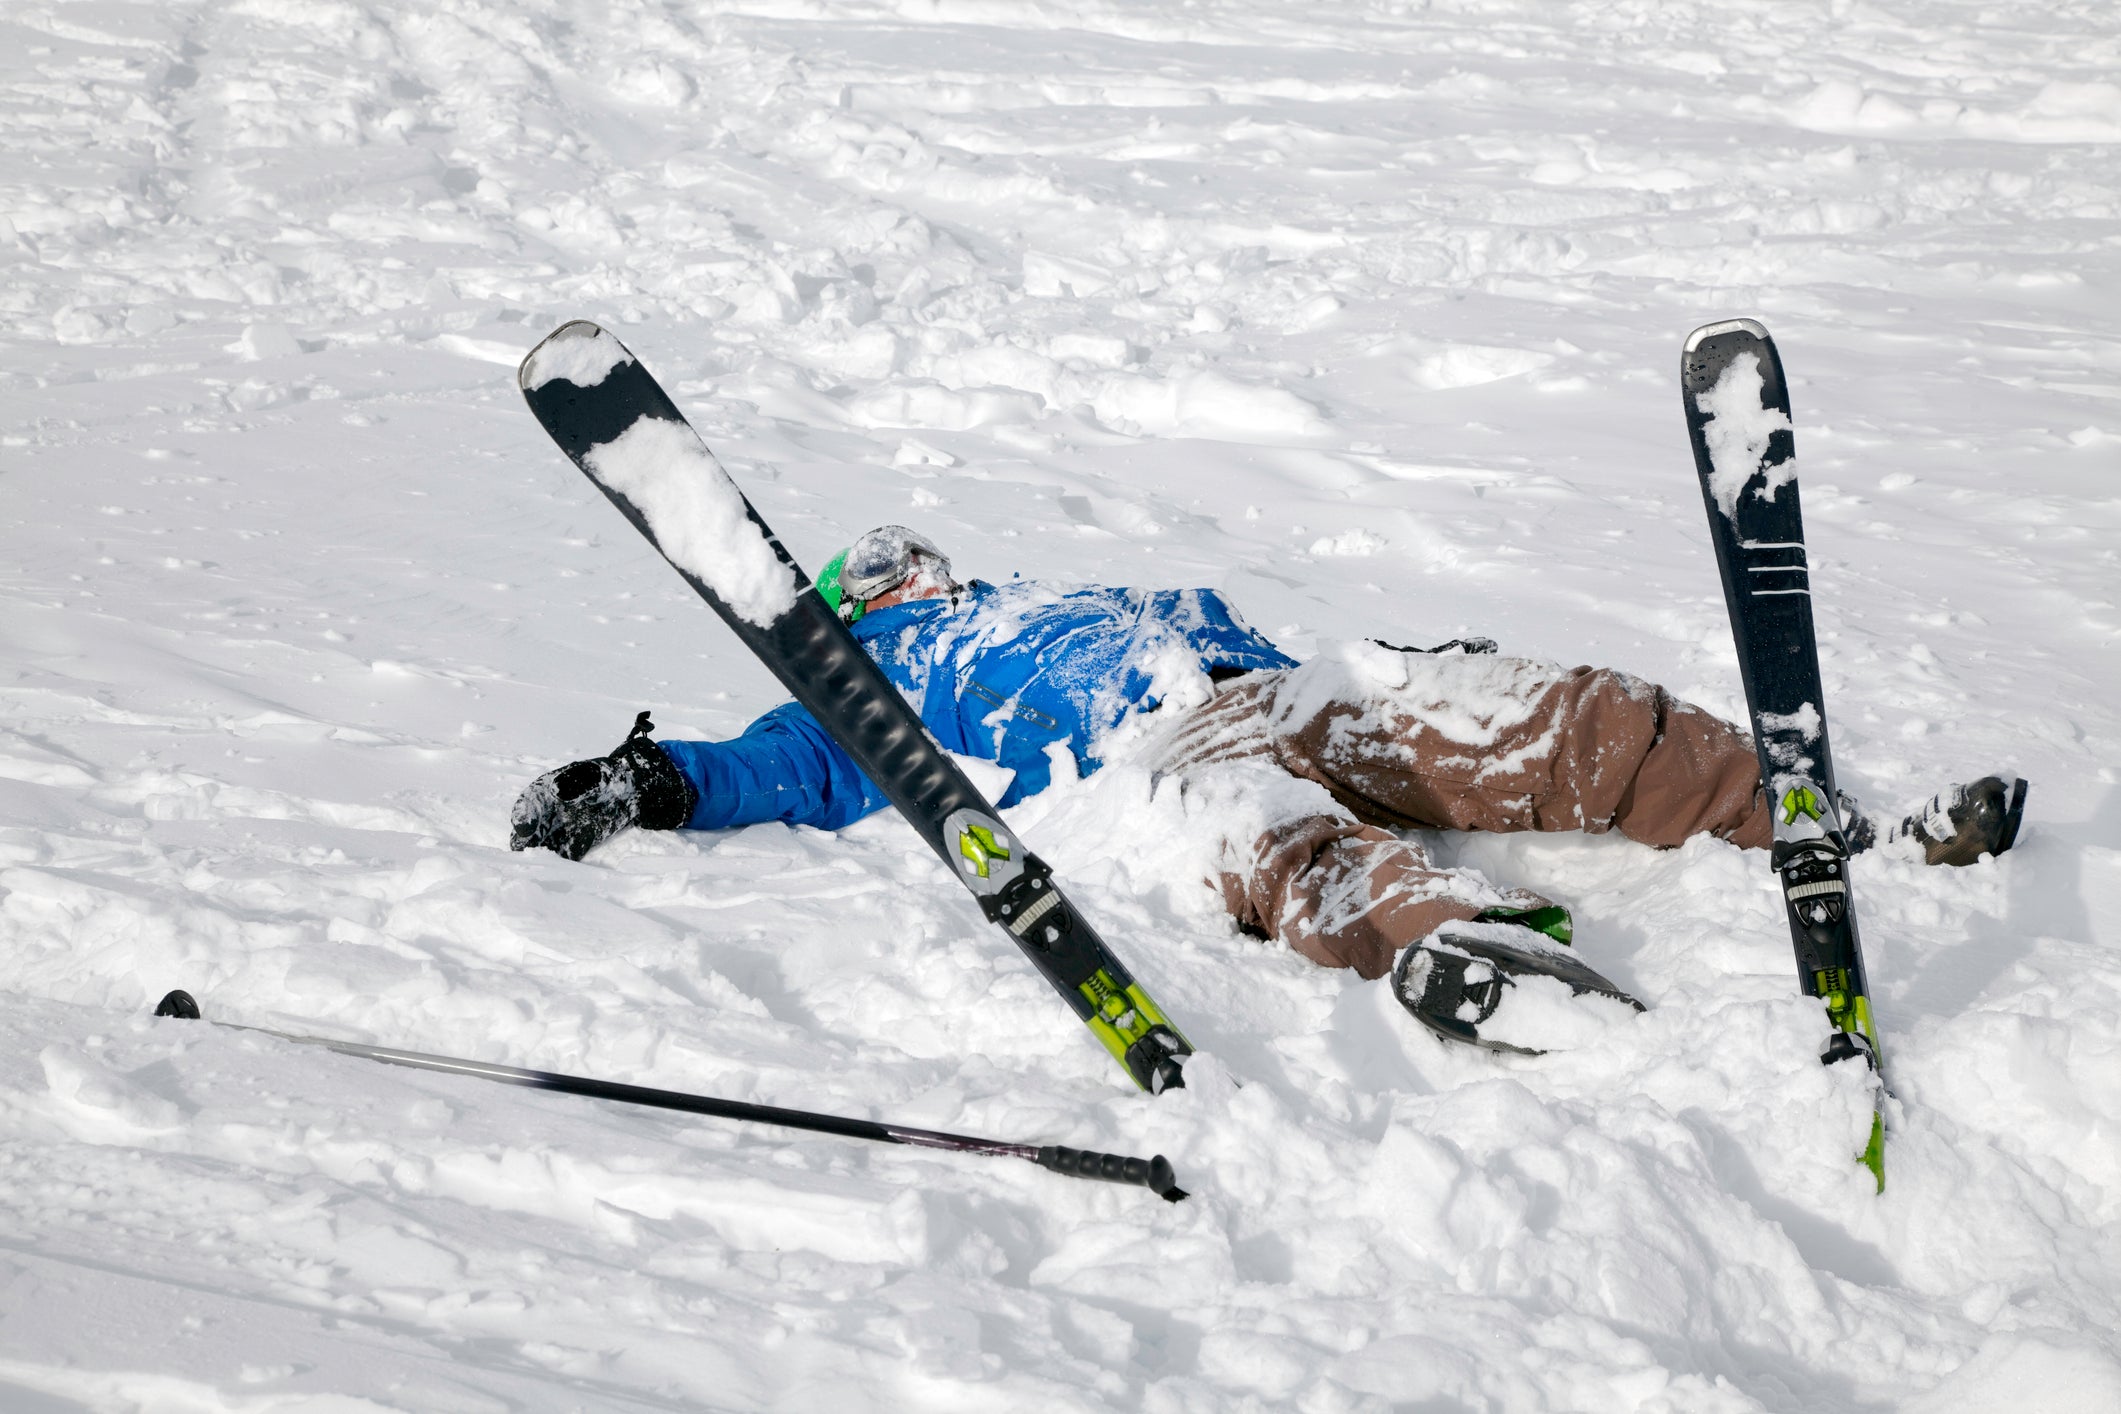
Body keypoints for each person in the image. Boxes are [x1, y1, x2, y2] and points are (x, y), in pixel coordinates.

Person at [510, 525, 2026, 1050]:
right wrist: (642, 779)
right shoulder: (864, 682)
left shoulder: (1064, 591)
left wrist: (1390, 682)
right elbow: (766, 767)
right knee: (1267, 834)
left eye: (919, 555)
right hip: (1141, 764)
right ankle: (1443, 943)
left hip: (1256, 683)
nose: (914, 569)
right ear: (856, 596)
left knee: (1516, 709)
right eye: (883, 566)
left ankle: (1812, 817)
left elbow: (1279, 660)